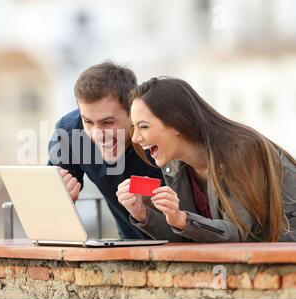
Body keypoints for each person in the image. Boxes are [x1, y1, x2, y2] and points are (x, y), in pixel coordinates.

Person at [116, 77, 296, 242]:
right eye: (134, 127)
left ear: (176, 122)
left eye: (144, 126)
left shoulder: (241, 149)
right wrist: (143, 214)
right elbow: (189, 238)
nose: (135, 138)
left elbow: (237, 234)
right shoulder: (174, 163)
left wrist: (182, 219)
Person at [48, 62, 163, 239]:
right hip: (127, 248)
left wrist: (143, 189)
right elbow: (48, 208)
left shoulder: (159, 132)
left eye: (108, 122)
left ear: (133, 112)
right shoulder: (70, 131)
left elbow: (185, 204)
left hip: (181, 247)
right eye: (88, 122)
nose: (97, 134)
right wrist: (60, 202)